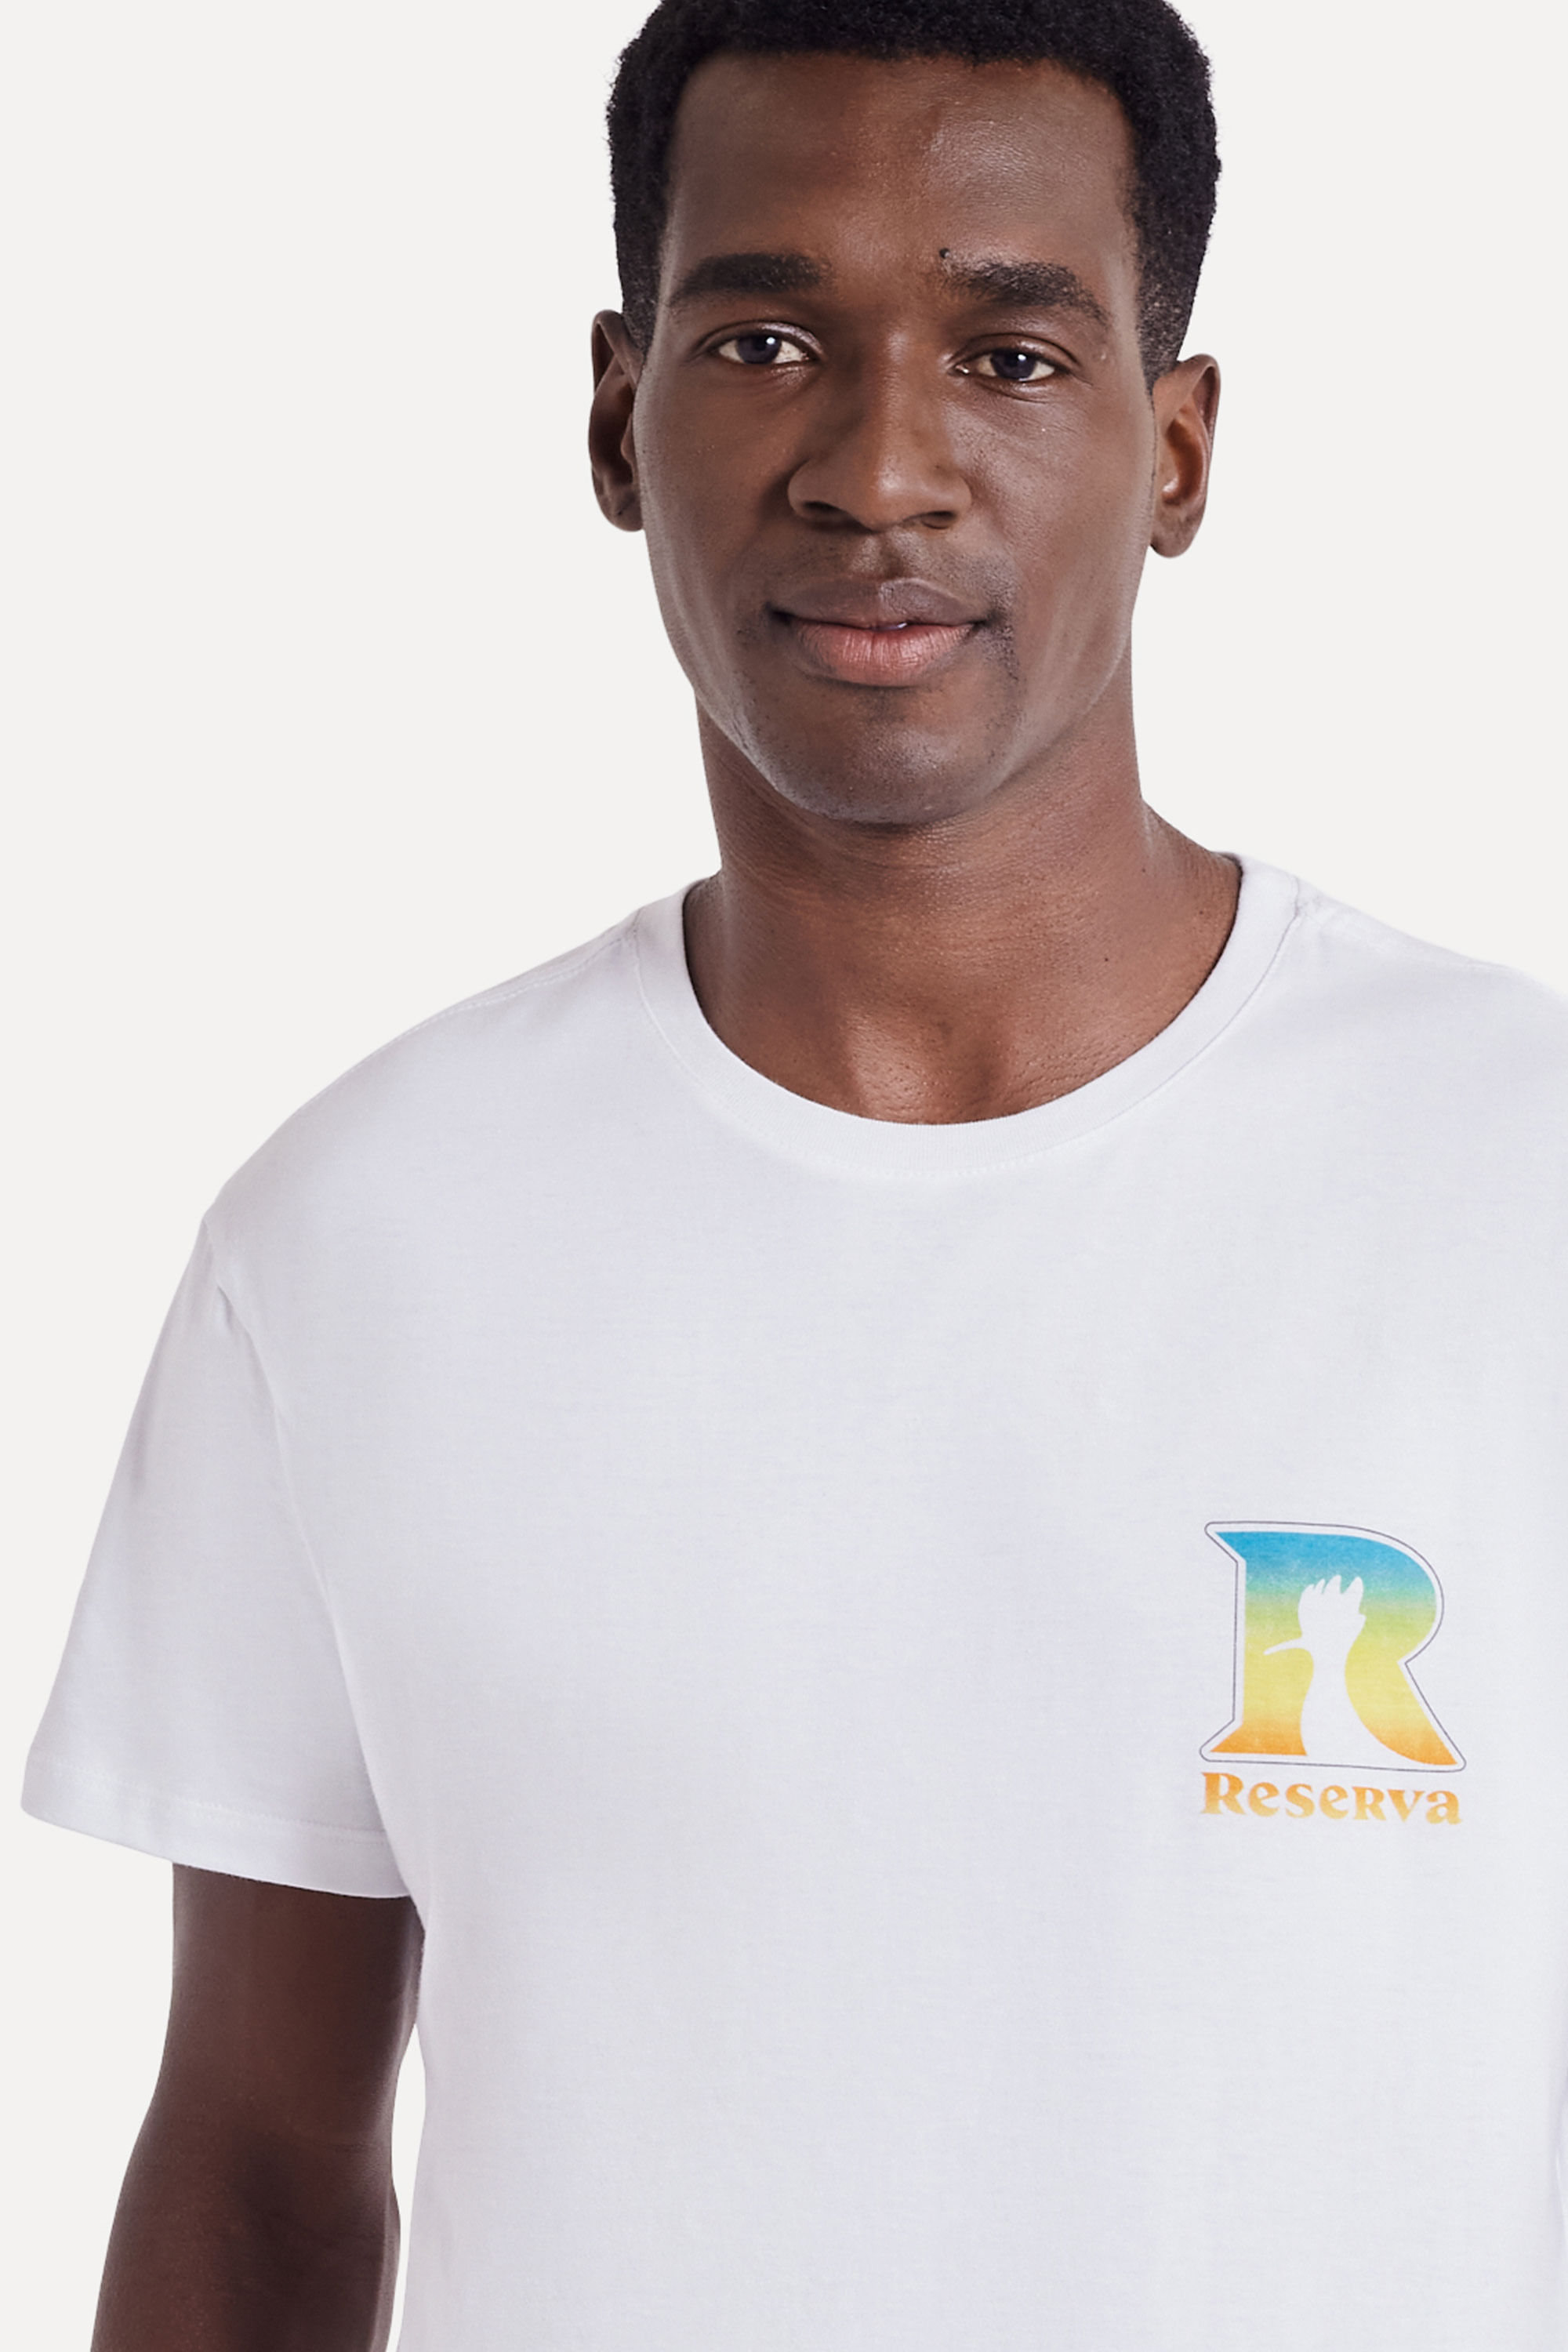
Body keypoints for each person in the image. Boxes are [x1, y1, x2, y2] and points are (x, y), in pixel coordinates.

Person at [24, 0, 1568, 2345]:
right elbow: (254, 2170)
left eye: (1011, 358)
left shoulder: (1513, 1175)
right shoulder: (362, 1242)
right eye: (766, 341)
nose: (881, 469)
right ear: (615, 418)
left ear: (1175, 449)